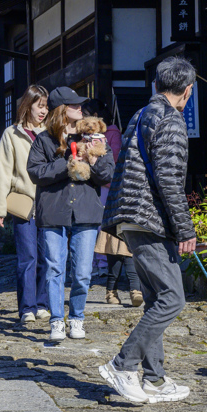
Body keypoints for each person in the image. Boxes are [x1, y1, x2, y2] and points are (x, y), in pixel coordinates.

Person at [99, 56, 197, 404]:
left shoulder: (141, 114)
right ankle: (122, 365)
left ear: (157, 85)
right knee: (173, 297)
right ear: (187, 91)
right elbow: (170, 181)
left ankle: (154, 379)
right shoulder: (171, 120)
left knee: (156, 297)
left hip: (129, 216)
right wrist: (185, 230)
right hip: (149, 219)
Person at [27, 87, 114, 342]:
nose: (80, 109)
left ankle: (76, 318)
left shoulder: (95, 138)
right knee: (54, 268)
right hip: (54, 211)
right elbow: (35, 173)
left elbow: (108, 174)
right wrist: (66, 160)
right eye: (74, 105)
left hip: (86, 211)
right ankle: (56, 320)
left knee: (82, 272)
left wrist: (94, 158)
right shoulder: (43, 141)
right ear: (62, 110)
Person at [0, 84, 51, 325]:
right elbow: (3, 171)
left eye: (46, 106)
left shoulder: (50, 132)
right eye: (40, 106)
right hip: (23, 202)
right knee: (28, 257)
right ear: (28, 105)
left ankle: (43, 303)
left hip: (48, 203)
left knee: (47, 257)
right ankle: (27, 306)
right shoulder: (12, 134)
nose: (43, 111)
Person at [82, 99, 142, 308]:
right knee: (114, 243)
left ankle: (129, 289)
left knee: (124, 244)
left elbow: (113, 164)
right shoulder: (85, 139)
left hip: (114, 191)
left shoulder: (113, 135)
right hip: (107, 191)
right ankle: (114, 288)